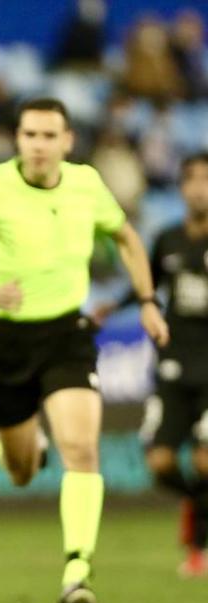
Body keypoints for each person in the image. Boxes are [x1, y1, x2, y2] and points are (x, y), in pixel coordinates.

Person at [0, 98, 169, 603]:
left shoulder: (87, 184)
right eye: (29, 135)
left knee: (82, 448)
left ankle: (76, 570)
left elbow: (128, 238)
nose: (38, 145)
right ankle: (21, 445)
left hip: (67, 333)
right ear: (18, 139)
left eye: (49, 136)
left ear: (67, 141)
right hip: (5, 340)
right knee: (20, 470)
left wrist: (149, 300)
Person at [131, 152, 208, 577]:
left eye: (206, 179)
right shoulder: (168, 239)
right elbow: (148, 288)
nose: (199, 187)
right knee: (160, 463)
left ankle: (199, 546)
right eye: (191, 179)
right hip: (175, 363)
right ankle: (197, 502)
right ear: (180, 188)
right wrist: (113, 306)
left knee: (205, 461)